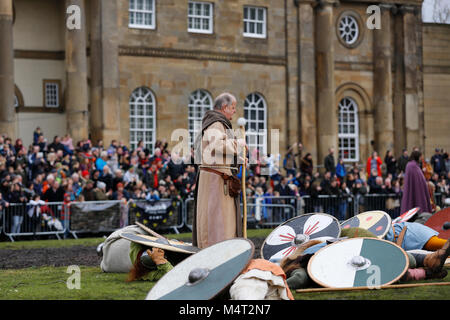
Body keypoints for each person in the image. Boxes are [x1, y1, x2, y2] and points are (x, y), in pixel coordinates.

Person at [193, 93, 245, 248]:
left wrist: (239, 160)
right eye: (233, 107)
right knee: (218, 225)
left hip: (218, 181)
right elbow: (217, 145)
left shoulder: (219, 123)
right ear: (224, 107)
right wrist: (238, 143)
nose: (235, 111)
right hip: (216, 184)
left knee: (220, 223)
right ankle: (218, 253)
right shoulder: (216, 123)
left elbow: (218, 155)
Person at [401, 150, 432, 214]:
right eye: (420, 156)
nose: (421, 158)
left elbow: (420, 179)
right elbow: (416, 180)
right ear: (417, 156)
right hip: (415, 191)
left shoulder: (414, 165)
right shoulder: (412, 166)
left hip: (417, 190)